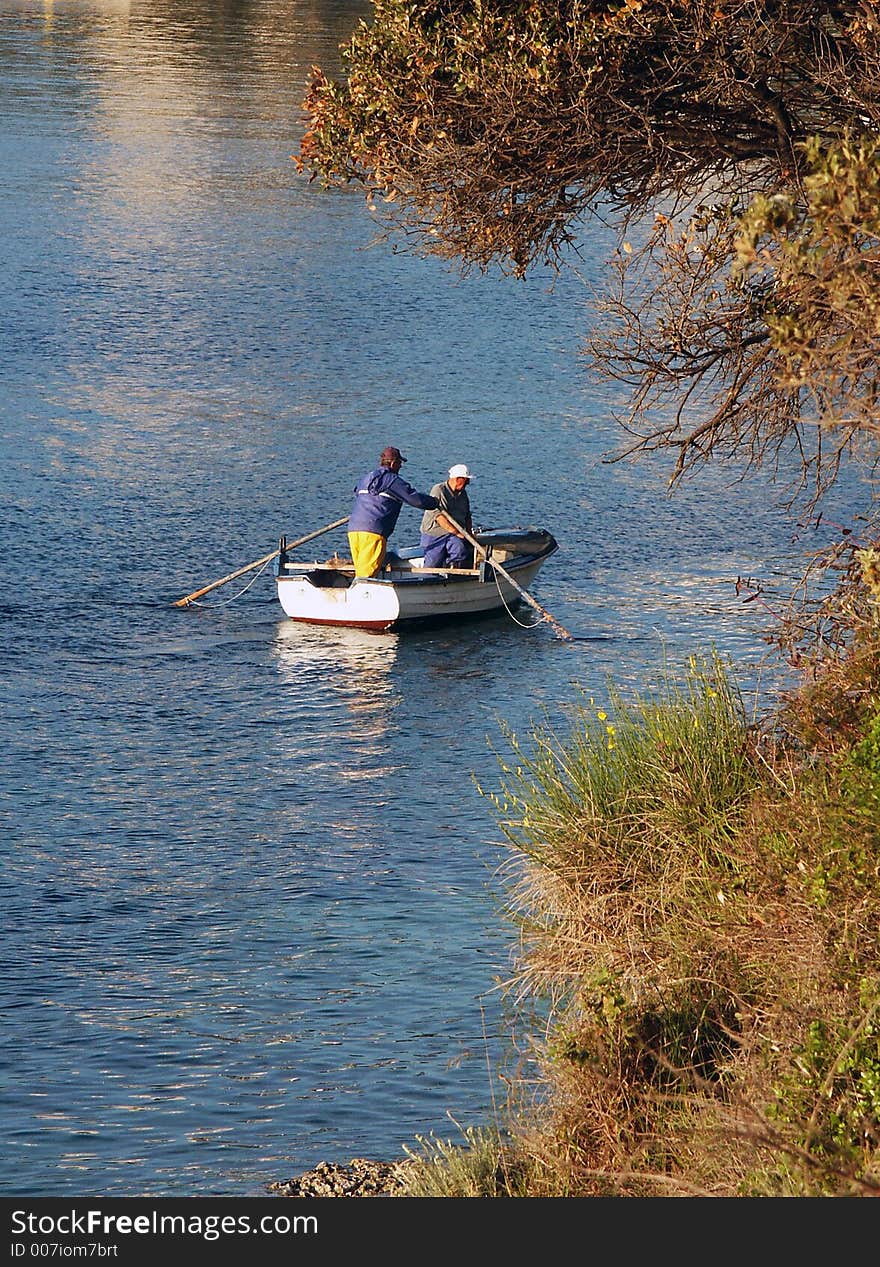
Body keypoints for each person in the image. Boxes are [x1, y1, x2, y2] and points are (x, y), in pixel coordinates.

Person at [347, 446, 439, 578]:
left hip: (354, 529)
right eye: (400, 464)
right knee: (367, 574)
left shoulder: (366, 478)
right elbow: (416, 500)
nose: (400, 467)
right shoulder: (392, 480)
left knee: (361, 568)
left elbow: (357, 493)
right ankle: (360, 596)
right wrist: (435, 502)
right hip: (373, 531)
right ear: (393, 463)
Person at [419, 463, 475, 569]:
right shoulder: (439, 490)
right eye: (466, 480)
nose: (468, 483)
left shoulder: (463, 494)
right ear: (458, 479)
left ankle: (451, 572)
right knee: (432, 564)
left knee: (460, 550)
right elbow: (440, 518)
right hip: (435, 534)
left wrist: (469, 534)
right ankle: (427, 579)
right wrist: (458, 533)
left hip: (453, 534)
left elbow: (467, 516)